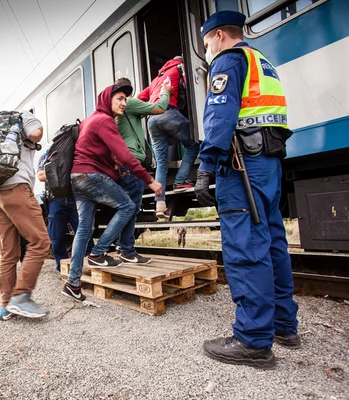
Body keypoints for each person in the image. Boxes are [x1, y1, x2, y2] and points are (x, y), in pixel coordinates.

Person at [195, 11, 299, 369]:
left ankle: (253, 340)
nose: (206, 50)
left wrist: (206, 165)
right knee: (272, 243)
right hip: (269, 162)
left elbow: (220, 117)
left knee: (245, 249)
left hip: (242, 166)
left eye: (206, 43)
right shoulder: (262, 61)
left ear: (220, 35)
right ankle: (285, 325)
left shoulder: (228, 61)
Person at [63, 84, 162, 302]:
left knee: (83, 230)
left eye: (126, 99)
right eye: (119, 99)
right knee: (128, 206)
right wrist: (150, 180)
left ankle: (73, 282)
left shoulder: (91, 119)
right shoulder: (104, 120)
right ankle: (98, 253)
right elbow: (126, 156)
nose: (124, 103)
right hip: (90, 176)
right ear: (107, 99)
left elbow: (101, 153)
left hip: (77, 178)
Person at [0, 110, 51, 320]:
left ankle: (5, 306)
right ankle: (21, 297)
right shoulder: (25, 115)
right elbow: (36, 134)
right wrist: (36, 124)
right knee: (40, 242)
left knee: (8, 253)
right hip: (16, 188)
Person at [114, 77, 173, 263]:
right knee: (131, 208)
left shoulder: (119, 107)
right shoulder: (130, 103)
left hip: (123, 165)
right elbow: (160, 108)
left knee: (125, 207)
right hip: (132, 164)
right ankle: (127, 251)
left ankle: (121, 245)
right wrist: (165, 90)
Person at [138, 56, 200, 218]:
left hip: (152, 120)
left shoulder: (155, 80)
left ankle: (160, 204)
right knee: (195, 144)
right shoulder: (179, 68)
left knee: (161, 163)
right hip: (169, 113)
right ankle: (180, 181)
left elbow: (140, 99)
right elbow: (193, 86)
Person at [37, 147, 94, 272]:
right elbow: (40, 175)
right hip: (55, 200)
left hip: (74, 198)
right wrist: (62, 172)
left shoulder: (75, 154)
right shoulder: (47, 155)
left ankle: (89, 262)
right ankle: (61, 266)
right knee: (57, 237)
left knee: (85, 232)